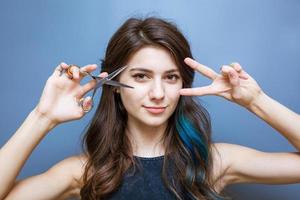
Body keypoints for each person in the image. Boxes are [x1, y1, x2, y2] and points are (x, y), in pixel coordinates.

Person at [0, 17, 300, 200]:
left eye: (170, 78)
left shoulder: (213, 163)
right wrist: (43, 117)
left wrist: (256, 101)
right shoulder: (84, 172)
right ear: (114, 85)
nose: (158, 93)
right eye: (141, 76)